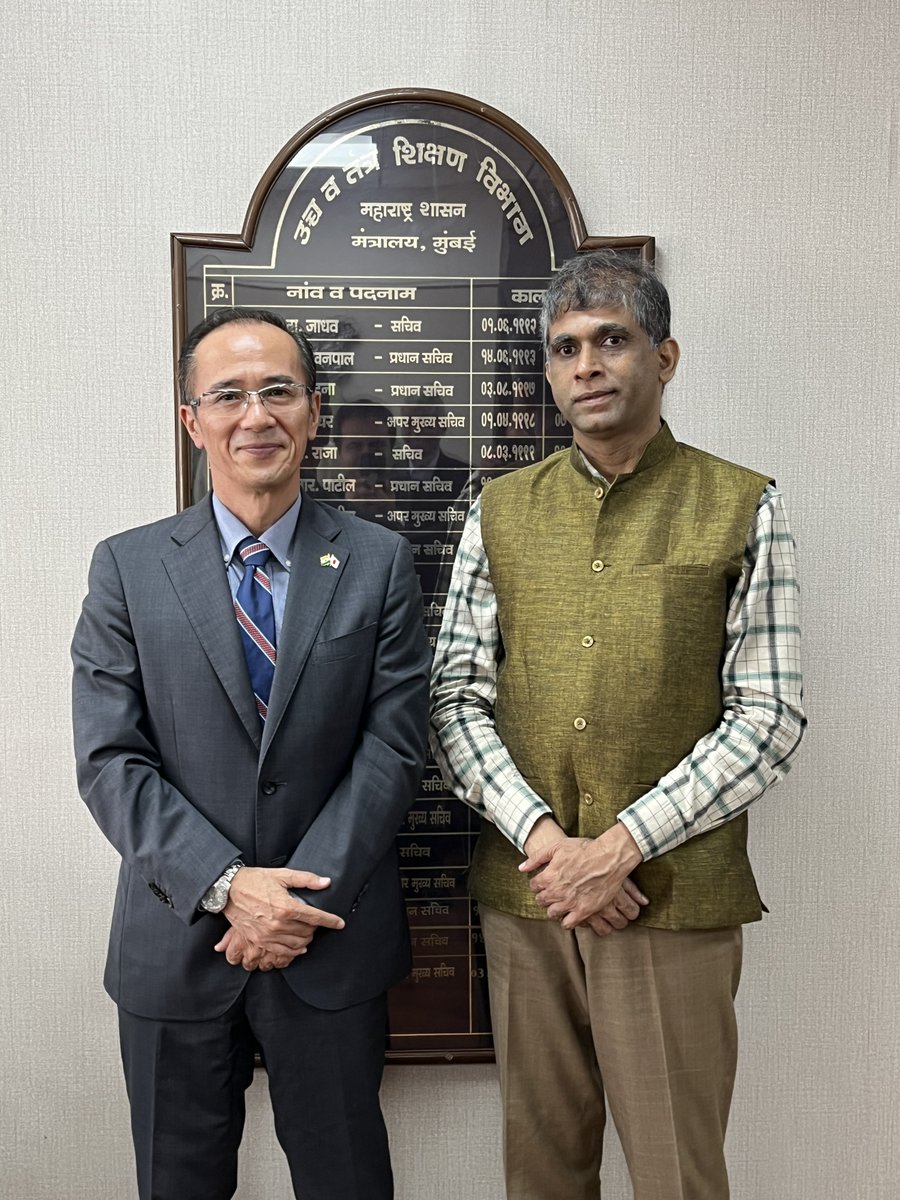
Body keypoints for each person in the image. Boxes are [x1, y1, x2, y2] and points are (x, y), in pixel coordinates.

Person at [430, 250, 805, 1200]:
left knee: (678, 1174)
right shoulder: (500, 511)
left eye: (612, 341)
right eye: (565, 349)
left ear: (665, 356)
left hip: (673, 901)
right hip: (531, 898)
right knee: (541, 1173)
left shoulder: (742, 503)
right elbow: (453, 699)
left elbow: (768, 715)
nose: (587, 365)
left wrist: (623, 845)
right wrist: (552, 846)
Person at [72, 307, 431, 1200]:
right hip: (176, 940)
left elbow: (394, 747)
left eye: (278, 391)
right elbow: (111, 759)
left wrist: (293, 901)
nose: (255, 416)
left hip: (329, 939)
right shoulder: (127, 567)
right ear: (192, 421)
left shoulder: (380, 561)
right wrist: (234, 887)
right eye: (227, 395)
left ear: (313, 410)